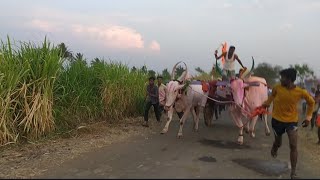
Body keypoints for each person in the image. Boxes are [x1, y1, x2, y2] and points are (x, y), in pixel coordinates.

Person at [260, 68, 315, 179]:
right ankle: (275, 146)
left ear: (289, 79)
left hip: (291, 121)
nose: (281, 79)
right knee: (278, 142)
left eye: (283, 77)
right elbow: (271, 97)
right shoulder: (277, 88)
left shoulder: (301, 92)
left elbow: (311, 102)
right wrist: (265, 105)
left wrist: (308, 118)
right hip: (277, 120)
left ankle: (293, 173)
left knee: (293, 145)